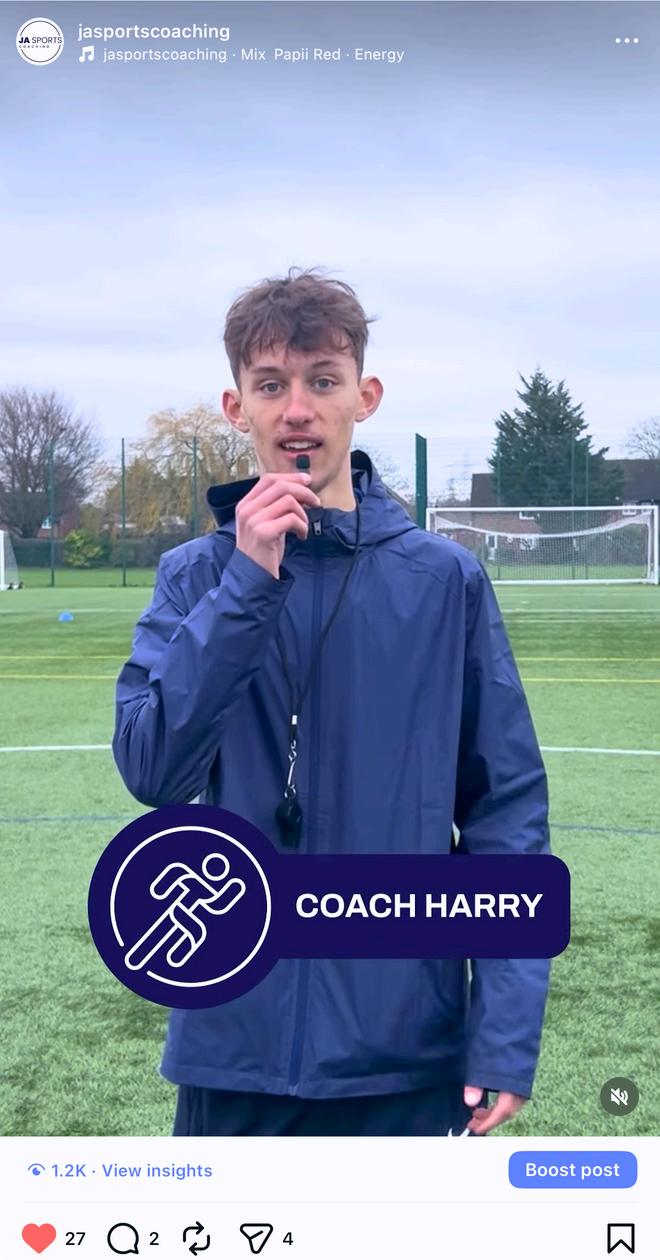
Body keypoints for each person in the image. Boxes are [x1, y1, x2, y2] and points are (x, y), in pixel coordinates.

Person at [113, 267, 550, 1137]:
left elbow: (505, 813)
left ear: (365, 397)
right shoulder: (194, 579)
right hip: (231, 1044)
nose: (298, 410)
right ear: (236, 407)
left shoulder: (444, 581)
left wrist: (503, 1034)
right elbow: (152, 769)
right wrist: (246, 583)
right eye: (271, 385)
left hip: (403, 1053)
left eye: (322, 381)